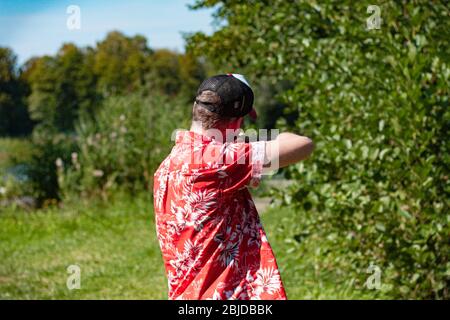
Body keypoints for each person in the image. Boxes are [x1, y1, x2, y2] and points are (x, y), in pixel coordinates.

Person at [153, 74, 314, 300]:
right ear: (237, 122)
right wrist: (246, 145)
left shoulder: (169, 164)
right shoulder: (219, 160)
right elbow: (303, 144)